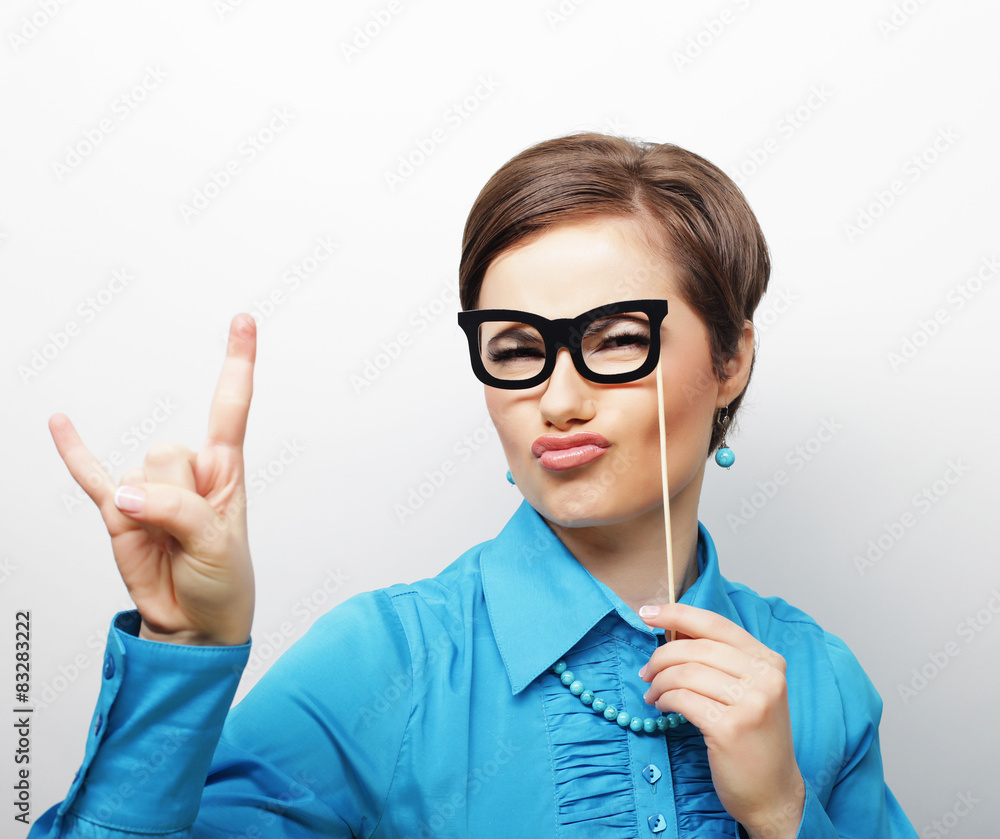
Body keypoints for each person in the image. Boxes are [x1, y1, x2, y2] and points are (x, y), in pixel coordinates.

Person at [31, 133, 918, 838]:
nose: (557, 400)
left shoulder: (819, 677)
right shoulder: (387, 662)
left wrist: (784, 816)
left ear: (730, 359)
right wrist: (183, 648)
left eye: (615, 340)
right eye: (518, 349)